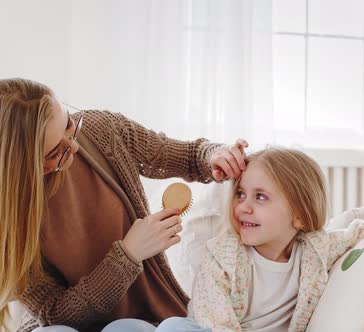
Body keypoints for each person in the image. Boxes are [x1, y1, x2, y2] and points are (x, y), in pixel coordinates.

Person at [0, 78, 248, 332]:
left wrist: (215, 155)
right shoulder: (7, 222)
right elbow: (55, 314)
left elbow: (180, 154)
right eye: (55, 153)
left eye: (69, 124)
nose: (74, 145)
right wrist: (129, 255)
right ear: (21, 168)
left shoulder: (101, 130)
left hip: (149, 318)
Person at [156, 147, 364, 332]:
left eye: (261, 197)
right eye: (241, 194)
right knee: (158, 328)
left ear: (299, 216)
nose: (243, 205)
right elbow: (218, 326)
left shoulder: (315, 250)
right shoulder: (222, 258)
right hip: (213, 331)